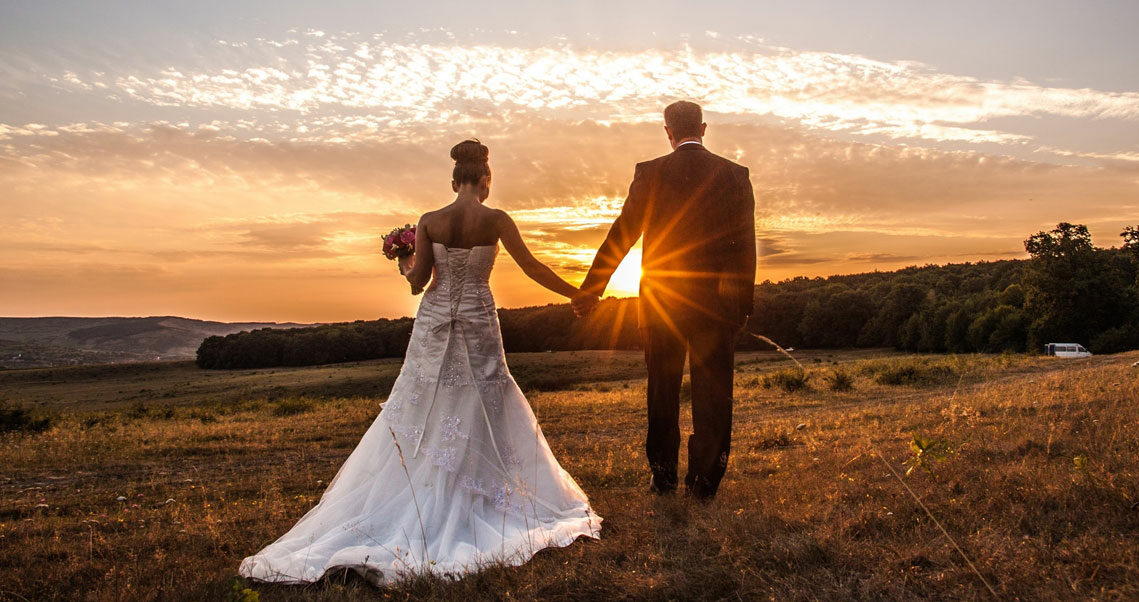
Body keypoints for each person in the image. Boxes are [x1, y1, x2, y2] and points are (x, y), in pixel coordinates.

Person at [239, 139, 601, 586]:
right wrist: (577, 294)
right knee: (484, 398)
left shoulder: (431, 220)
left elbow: (418, 283)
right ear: (485, 181)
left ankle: (421, 487)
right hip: (476, 319)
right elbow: (531, 267)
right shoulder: (496, 219)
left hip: (433, 322)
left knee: (422, 402)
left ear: (454, 181)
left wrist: (404, 263)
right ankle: (480, 491)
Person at [573, 101, 756, 500]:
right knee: (713, 394)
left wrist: (592, 288)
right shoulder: (734, 175)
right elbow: (745, 245)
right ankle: (705, 482)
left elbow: (622, 232)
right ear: (704, 128)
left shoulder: (650, 172)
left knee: (661, 391)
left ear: (667, 131)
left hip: (660, 300)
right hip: (714, 306)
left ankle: (663, 476)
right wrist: (741, 305)